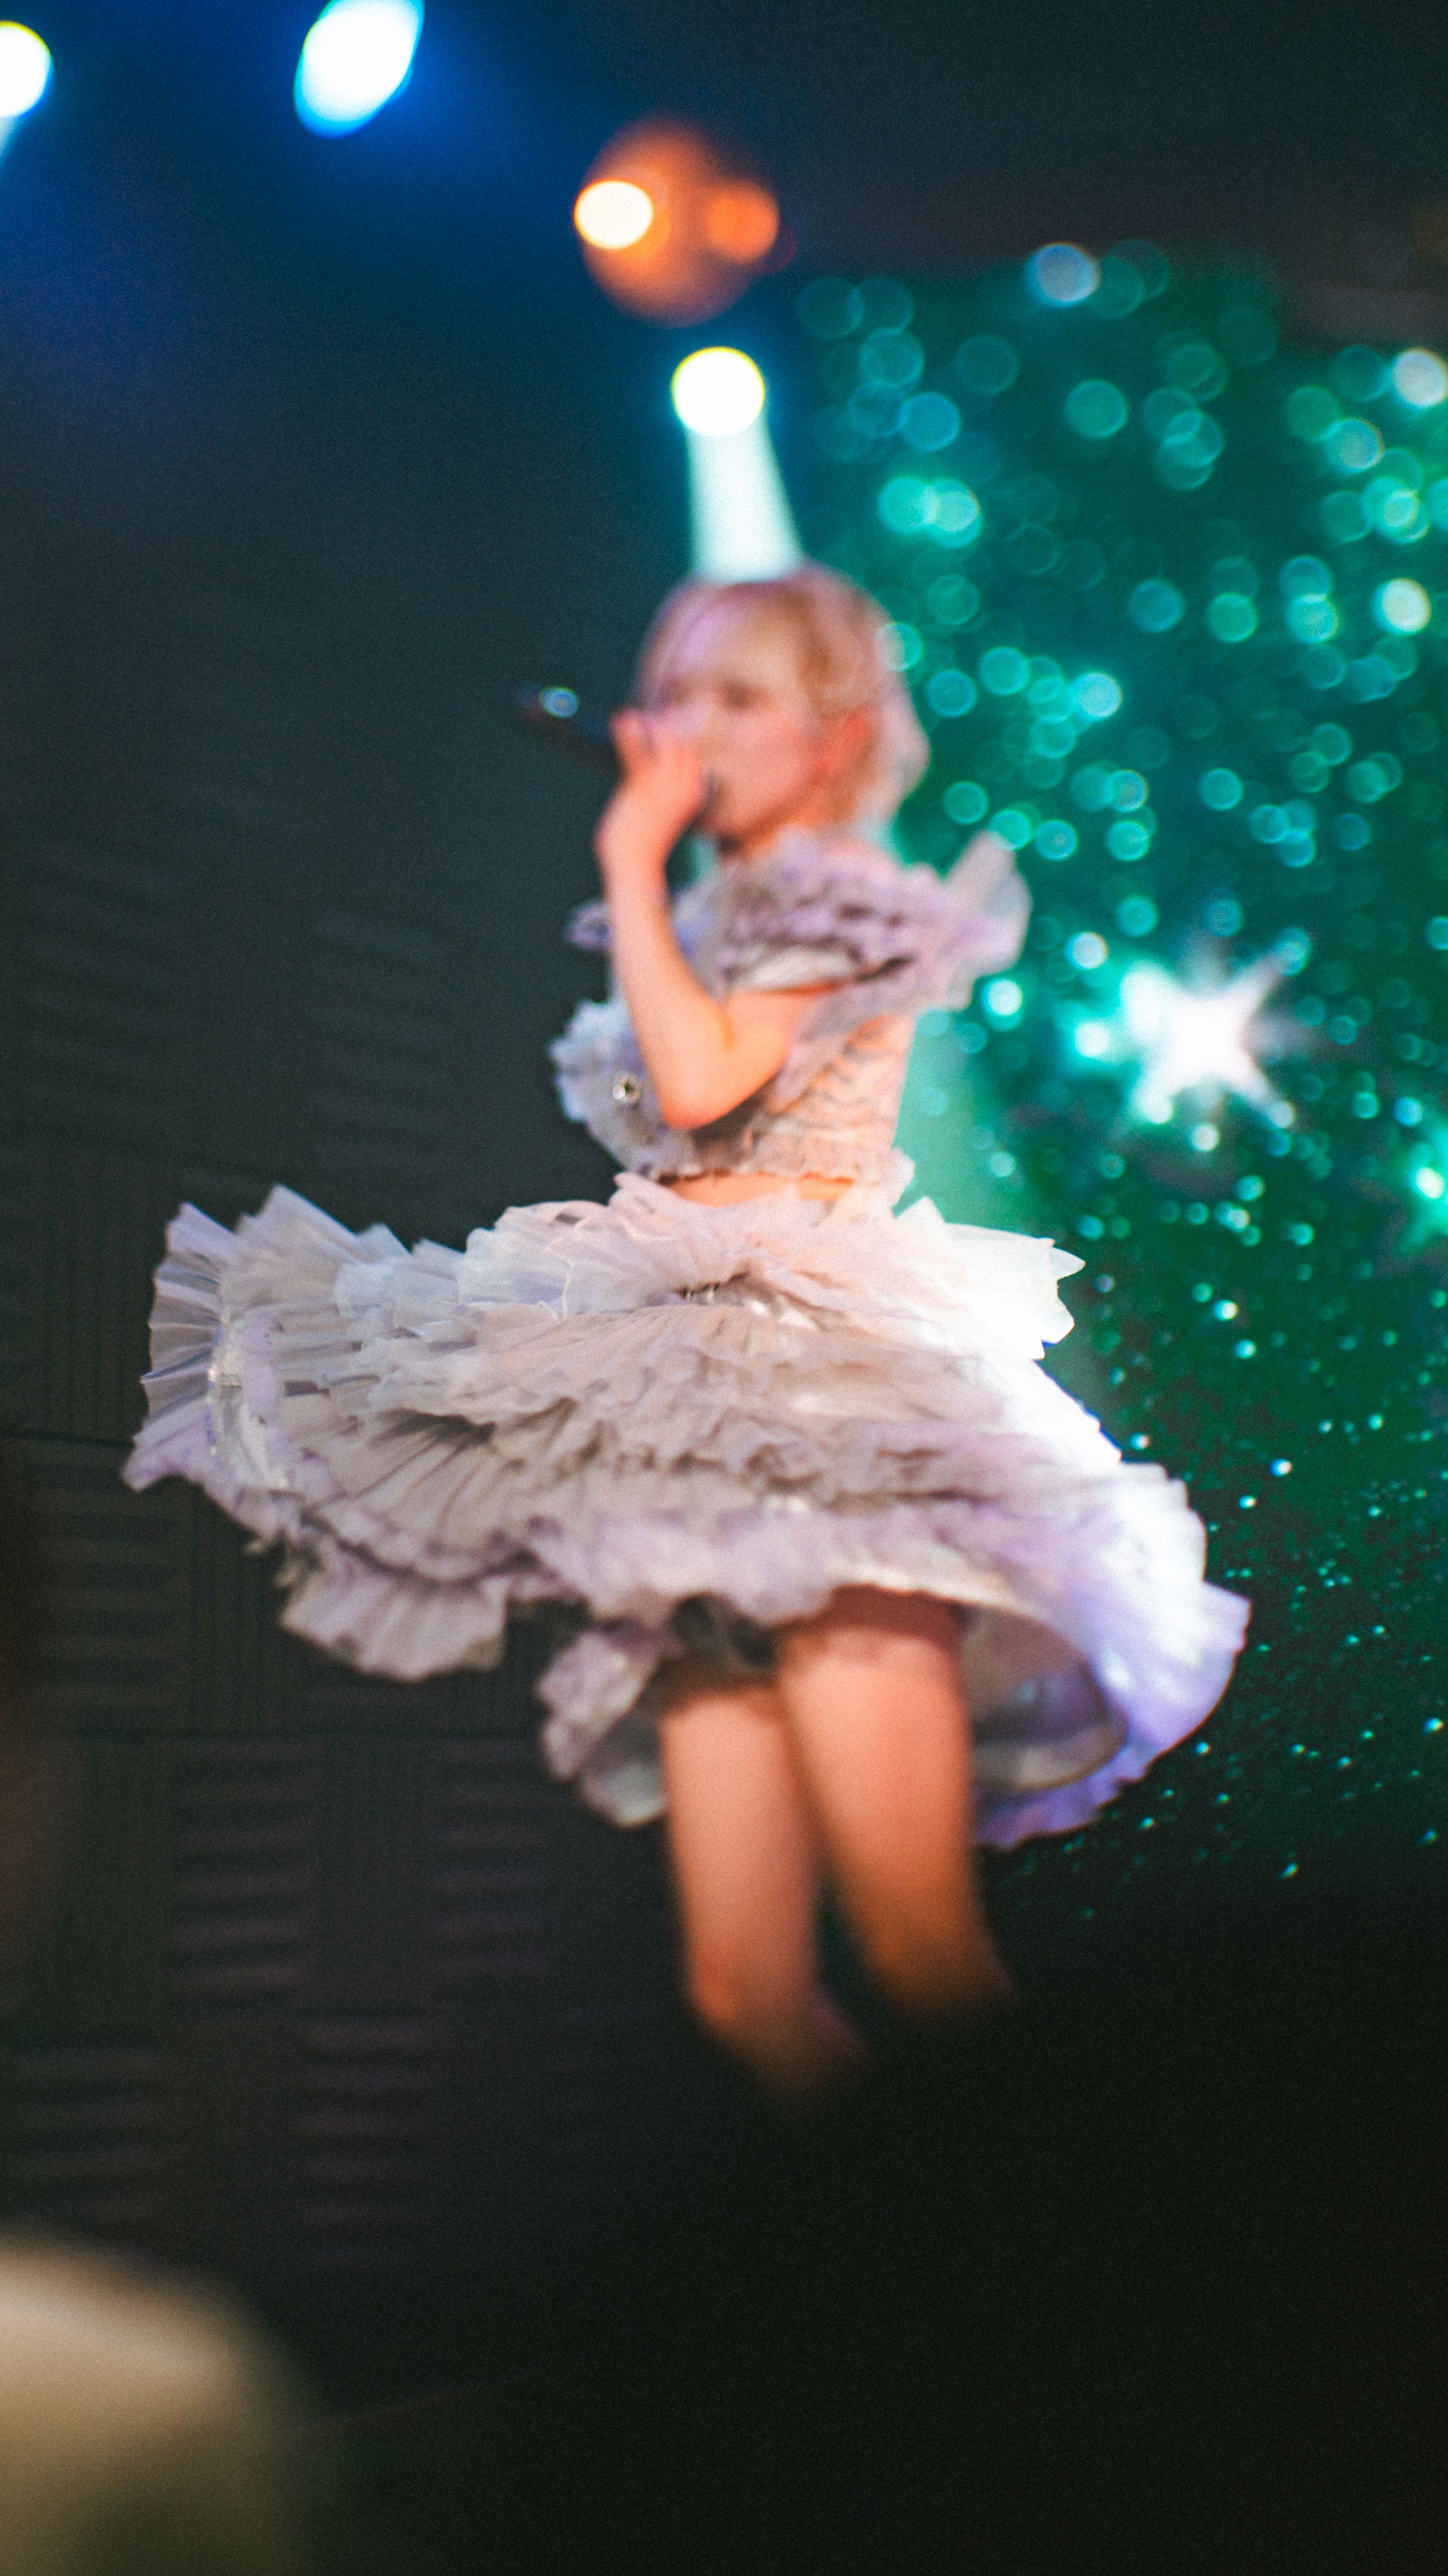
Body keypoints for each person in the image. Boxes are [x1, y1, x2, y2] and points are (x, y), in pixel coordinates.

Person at [125, 564, 1246, 2103]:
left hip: (832, 1421)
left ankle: (1102, 2243)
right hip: (689, 1431)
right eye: (675, 693)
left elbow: (705, 1079)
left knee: (919, 1947)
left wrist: (628, 857)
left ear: (833, 735)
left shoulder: (836, 892)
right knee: (743, 1992)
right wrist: (656, 889)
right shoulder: (717, 913)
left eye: (738, 697)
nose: (691, 726)